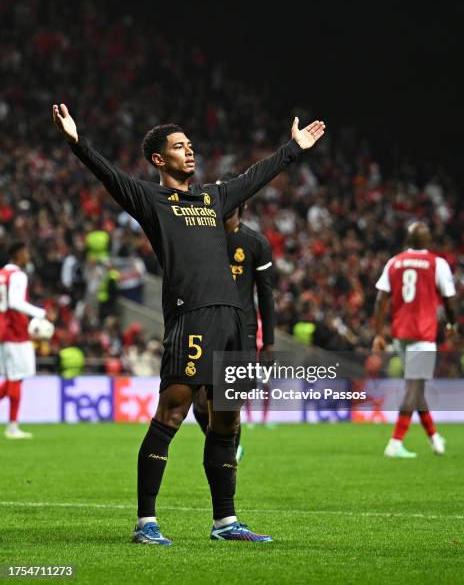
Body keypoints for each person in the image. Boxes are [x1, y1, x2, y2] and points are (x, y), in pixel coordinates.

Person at [53, 102, 325, 545]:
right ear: (160, 159)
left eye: (190, 145)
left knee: (227, 422)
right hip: (191, 315)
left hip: (233, 320)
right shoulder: (152, 200)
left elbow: (256, 176)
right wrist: (77, 142)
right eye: (179, 147)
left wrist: (293, 148)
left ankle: (226, 522)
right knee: (174, 409)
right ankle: (146, 521)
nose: (190, 152)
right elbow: (110, 177)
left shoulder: (214, 198)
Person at [193, 180, 276, 457]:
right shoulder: (202, 238)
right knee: (200, 405)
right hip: (206, 326)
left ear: (242, 203)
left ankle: (228, 453)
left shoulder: (254, 243)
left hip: (242, 331)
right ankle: (228, 445)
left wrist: (270, 344)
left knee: (229, 402)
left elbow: (265, 295)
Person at [373, 221, 457, 458]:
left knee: (416, 389)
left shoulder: (395, 262)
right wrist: (452, 325)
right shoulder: (436, 263)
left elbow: (380, 300)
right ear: (428, 241)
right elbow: (450, 300)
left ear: (408, 241)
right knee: (413, 387)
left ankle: (433, 438)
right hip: (422, 335)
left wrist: (379, 333)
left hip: (400, 335)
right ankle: (395, 443)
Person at [0, 242, 54, 439]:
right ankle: (12, 427)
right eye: (26, 252)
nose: (28, 255)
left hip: (4, 329)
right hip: (15, 331)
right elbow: (15, 302)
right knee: (16, 377)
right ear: (18, 254)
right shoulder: (18, 275)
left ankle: (13, 426)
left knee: (14, 377)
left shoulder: (2, 274)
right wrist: (41, 313)